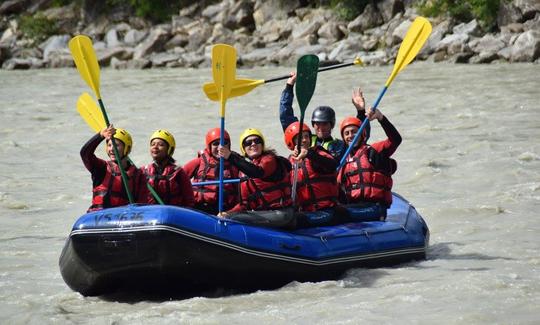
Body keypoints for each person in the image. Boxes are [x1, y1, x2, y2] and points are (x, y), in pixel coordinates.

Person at [279, 73, 370, 161]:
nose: (321, 127)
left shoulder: (340, 146)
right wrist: (289, 86)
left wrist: (361, 111)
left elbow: (362, 136)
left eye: (325, 124)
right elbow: (286, 116)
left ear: (332, 125)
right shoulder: (304, 139)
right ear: (313, 125)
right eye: (317, 124)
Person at [217, 128, 294, 228]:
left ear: (262, 145)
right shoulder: (243, 173)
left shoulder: (269, 160)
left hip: (281, 213)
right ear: (244, 149)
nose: (253, 144)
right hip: (264, 214)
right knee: (228, 217)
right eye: (248, 143)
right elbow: (244, 205)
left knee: (234, 219)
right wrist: (227, 213)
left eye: (257, 141)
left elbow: (257, 172)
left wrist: (230, 156)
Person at [337, 103, 401, 221]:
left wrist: (381, 118)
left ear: (362, 134)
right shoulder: (344, 162)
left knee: (338, 214)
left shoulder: (373, 151)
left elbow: (396, 139)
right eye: (347, 133)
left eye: (354, 132)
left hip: (374, 207)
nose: (351, 136)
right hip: (354, 207)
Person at [284, 121, 345, 227]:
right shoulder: (289, 163)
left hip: (328, 210)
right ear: (292, 141)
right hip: (307, 212)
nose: (304, 140)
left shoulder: (318, 153)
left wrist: (308, 154)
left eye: (306, 136)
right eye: (300, 137)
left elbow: (332, 165)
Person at [80, 125, 148, 212]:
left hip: (122, 218)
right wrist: (100, 135)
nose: (111, 149)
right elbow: (85, 153)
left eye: (116, 145)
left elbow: (142, 203)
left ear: (127, 148)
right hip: (98, 216)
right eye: (109, 145)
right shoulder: (101, 167)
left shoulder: (138, 175)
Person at [183, 128, 239, 215]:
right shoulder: (198, 162)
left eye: (224, 143)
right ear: (209, 147)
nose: (220, 147)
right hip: (200, 208)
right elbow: (178, 179)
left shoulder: (236, 163)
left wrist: (230, 212)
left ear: (229, 145)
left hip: (227, 210)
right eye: (215, 144)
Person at [142, 129, 194, 207]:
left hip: (173, 213)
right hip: (151, 213)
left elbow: (189, 200)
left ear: (169, 149)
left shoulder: (178, 173)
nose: (155, 147)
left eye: (161, 145)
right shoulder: (143, 172)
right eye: (153, 144)